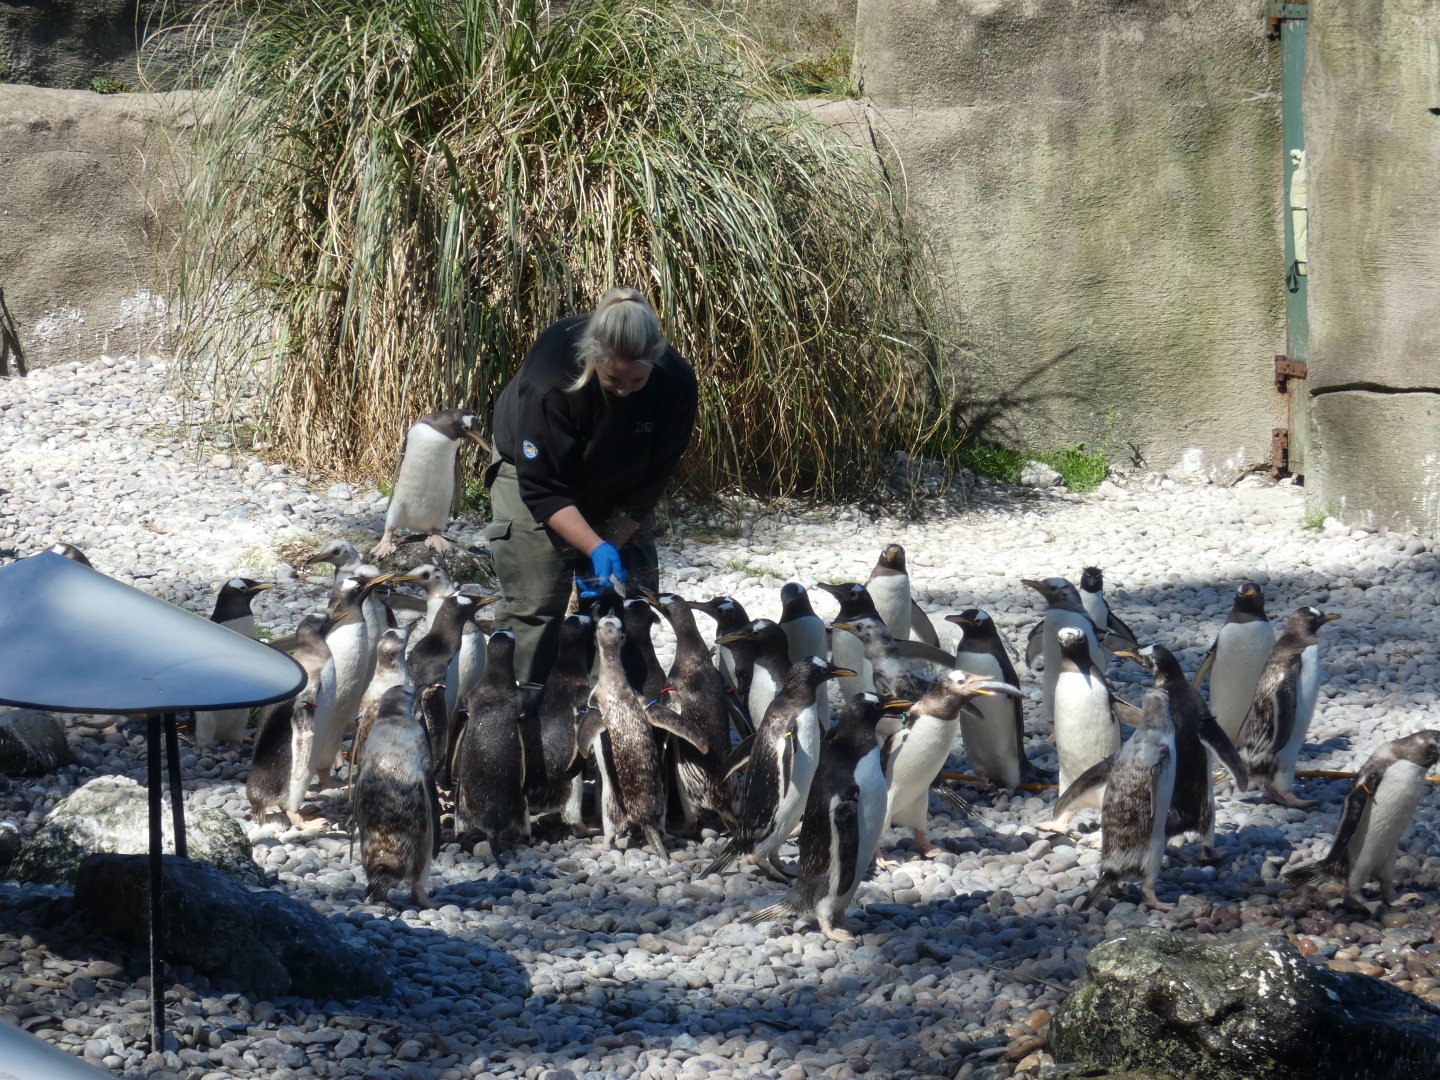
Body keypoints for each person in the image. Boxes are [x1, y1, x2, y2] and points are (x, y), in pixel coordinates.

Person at [485, 287, 699, 684]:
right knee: (536, 604)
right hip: (533, 477)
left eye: (637, 380)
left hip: (621, 481)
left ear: (655, 361)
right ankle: (522, 715)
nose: (624, 390)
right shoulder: (550, 378)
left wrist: (613, 539)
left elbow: (656, 476)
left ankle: (617, 714)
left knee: (626, 606)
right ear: (593, 357)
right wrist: (593, 545)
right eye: (614, 378)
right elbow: (541, 488)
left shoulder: (675, 383)